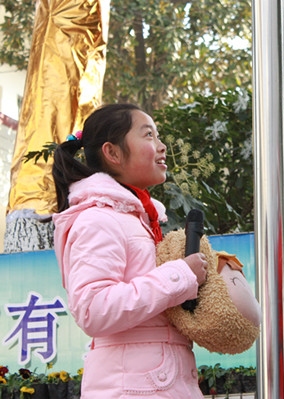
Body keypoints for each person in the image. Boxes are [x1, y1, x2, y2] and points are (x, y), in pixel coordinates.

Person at [52, 103, 208, 398]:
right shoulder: (97, 218)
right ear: (112, 153)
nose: (162, 147)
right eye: (148, 135)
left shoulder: (140, 218)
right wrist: (180, 275)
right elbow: (93, 310)